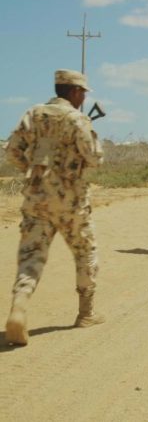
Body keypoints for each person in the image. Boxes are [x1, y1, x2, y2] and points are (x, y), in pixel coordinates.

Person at [4, 69, 104, 345]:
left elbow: (12, 151)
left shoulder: (33, 113)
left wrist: (33, 169)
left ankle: (19, 307)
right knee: (85, 251)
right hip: (71, 200)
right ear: (74, 92)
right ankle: (86, 313)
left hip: (36, 197)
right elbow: (95, 157)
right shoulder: (77, 118)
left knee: (31, 255)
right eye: (82, 92)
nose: (83, 97)